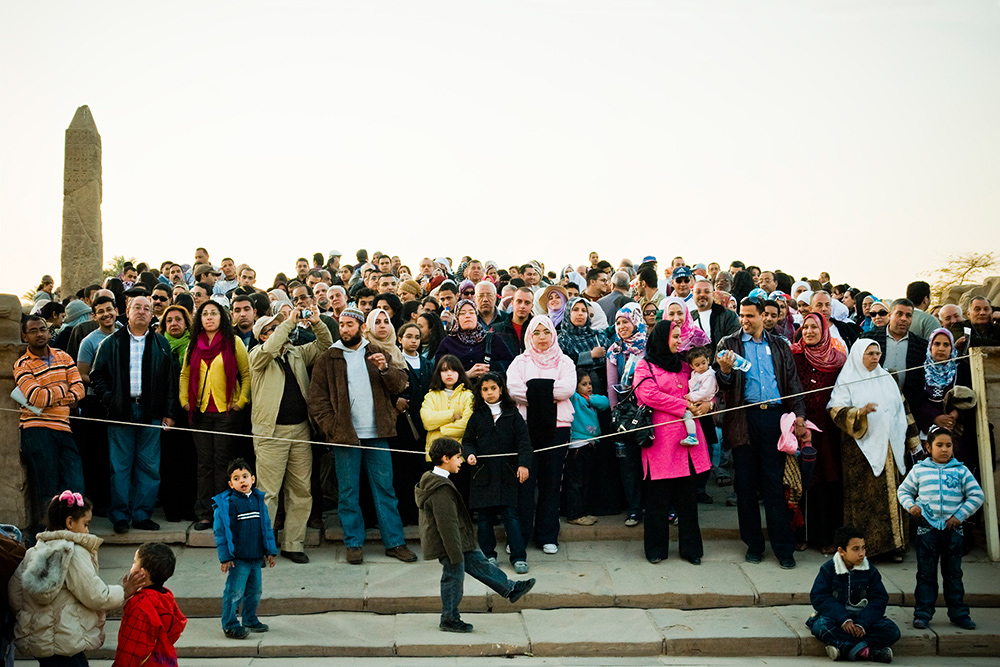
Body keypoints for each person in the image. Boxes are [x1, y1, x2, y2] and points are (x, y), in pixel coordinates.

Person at [307, 306, 416, 565]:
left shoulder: (377, 352)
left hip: (378, 433)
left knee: (385, 490)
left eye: (350, 325)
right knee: (348, 491)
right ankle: (353, 543)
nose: (345, 329)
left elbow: (401, 384)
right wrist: (332, 428)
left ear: (361, 328)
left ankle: (395, 542)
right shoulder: (328, 357)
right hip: (345, 436)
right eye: (341, 325)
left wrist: (385, 369)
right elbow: (317, 399)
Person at [716, 297, 806, 569]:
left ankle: (783, 548)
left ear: (763, 317)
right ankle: (753, 545)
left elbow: (792, 383)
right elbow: (721, 386)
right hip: (743, 419)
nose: (744, 321)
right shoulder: (728, 344)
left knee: (774, 486)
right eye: (741, 316)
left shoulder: (778, 344)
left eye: (749, 316)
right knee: (744, 485)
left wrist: (799, 417)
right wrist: (724, 371)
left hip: (774, 419)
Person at [9, 492, 148, 666]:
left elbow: (15, 595)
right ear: (70, 523)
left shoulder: (33, 552)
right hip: (67, 641)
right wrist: (124, 591)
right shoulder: (72, 552)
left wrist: (32, 619)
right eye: (86, 524)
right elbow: (94, 594)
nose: (87, 530)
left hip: (40, 643)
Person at [414, 437, 536, 634]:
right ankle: (450, 618)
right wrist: (455, 554)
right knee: (453, 578)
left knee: (480, 563)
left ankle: (510, 588)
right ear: (445, 458)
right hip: (450, 544)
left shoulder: (437, 481)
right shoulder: (440, 490)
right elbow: (447, 525)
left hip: (458, 540)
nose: (460, 461)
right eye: (457, 457)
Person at [248, 307, 332, 564]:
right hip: (271, 433)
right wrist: (287, 322)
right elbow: (272, 347)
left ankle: (293, 544)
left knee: (301, 490)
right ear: (263, 336)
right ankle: (262, 546)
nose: (279, 329)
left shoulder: (295, 353)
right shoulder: (257, 355)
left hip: (301, 430)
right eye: (272, 328)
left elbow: (325, 346)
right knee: (268, 492)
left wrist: (317, 322)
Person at [89, 296, 177, 534]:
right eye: (137, 307)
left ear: (152, 315)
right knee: (120, 466)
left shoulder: (161, 344)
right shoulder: (111, 342)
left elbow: (170, 382)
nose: (141, 311)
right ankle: (120, 516)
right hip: (121, 412)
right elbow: (97, 375)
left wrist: (169, 413)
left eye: (146, 309)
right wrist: (110, 398)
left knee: (149, 467)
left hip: (152, 412)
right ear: (126, 312)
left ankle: (141, 514)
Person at [828, 340, 921, 560]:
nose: (875, 357)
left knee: (896, 495)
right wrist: (859, 413)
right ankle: (868, 550)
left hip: (892, 448)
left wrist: (913, 439)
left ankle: (895, 547)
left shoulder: (888, 377)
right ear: (859, 354)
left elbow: (903, 408)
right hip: (861, 453)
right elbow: (836, 411)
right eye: (870, 353)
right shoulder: (848, 379)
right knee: (868, 501)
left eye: (878, 352)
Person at [634, 322, 713, 565]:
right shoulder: (644, 365)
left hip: (688, 441)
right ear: (662, 337)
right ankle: (656, 549)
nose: (679, 341)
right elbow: (647, 394)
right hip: (661, 441)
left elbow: (705, 387)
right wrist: (684, 405)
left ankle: (692, 550)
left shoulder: (686, 366)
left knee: (688, 500)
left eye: (680, 336)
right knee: (657, 499)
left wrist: (708, 405)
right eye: (674, 336)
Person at [897, 427, 984, 630]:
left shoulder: (961, 471)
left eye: (948, 445)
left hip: (953, 532)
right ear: (928, 447)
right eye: (939, 445)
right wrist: (912, 506)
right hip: (927, 529)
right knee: (925, 573)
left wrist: (959, 516)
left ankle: (959, 613)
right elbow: (904, 491)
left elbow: (977, 496)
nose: (944, 449)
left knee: (953, 573)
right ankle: (923, 613)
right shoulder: (919, 470)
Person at [507, 316, 577, 554]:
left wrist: (535, 389)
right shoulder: (519, 361)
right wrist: (548, 391)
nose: (542, 337)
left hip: (557, 429)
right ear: (530, 336)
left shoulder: (565, 361)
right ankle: (519, 535)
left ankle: (547, 536)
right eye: (536, 333)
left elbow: (568, 388)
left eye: (546, 332)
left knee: (551, 482)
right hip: (525, 428)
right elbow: (514, 390)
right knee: (523, 483)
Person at [179, 301, 251, 531]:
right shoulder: (193, 345)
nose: (209, 317)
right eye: (205, 314)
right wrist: (184, 401)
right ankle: (204, 514)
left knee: (223, 464)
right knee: (204, 465)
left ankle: (223, 513)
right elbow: (184, 375)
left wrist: (241, 402)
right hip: (200, 413)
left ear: (222, 318)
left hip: (226, 414)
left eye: (214, 313)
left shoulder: (234, 342)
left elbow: (247, 374)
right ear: (199, 319)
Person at [13, 315, 86, 531]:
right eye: (33, 331)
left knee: (76, 486)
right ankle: (50, 538)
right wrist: (64, 389)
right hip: (35, 430)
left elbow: (80, 390)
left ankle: (72, 533)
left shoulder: (63, 356)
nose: (40, 334)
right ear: (24, 336)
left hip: (63, 428)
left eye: (43, 329)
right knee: (49, 489)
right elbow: (37, 398)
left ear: (48, 331)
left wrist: (52, 395)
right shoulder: (21, 364)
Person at [462, 372, 532, 573]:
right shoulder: (477, 416)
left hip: (507, 473)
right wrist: (470, 454)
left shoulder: (512, 414)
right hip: (483, 475)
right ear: (480, 393)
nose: (490, 393)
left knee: (510, 515)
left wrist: (523, 465)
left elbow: (524, 442)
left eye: (493, 388)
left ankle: (518, 556)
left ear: (501, 389)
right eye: (485, 389)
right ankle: (488, 556)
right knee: (484, 519)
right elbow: (468, 441)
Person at [790, 313, 847, 553]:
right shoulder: (794, 356)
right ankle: (800, 535)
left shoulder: (839, 360)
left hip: (828, 432)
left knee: (827, 481)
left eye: (815, 327)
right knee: (800, 480)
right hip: (799, 428)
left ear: (825, 331)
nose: (810, 331)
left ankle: (826, 537)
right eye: (806, 327)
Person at [807, 526, 899, 663]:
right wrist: (843, 618)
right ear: (841, 551)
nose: (862, 553)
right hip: (837, 620)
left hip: (862, 622)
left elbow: (880, 599)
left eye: (863, 548)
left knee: (892, 631)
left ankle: (843, 647)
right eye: (855, 549)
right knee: (820, 626)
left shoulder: (870, 571)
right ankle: (867, 652)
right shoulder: (828, 569)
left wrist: (863, 623)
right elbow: (819, 596)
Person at [213, 459, 276, 639]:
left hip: (256, 557)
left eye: (245, 476)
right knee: (234, 592)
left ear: (253, 479)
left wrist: (270, 551)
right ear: (230, 484)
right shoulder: (228, 504)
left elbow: (266, 527)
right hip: (239, 559)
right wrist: (225, 557)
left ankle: (249, 618)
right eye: (237, 478)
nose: (242, 481)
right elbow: (221, 532)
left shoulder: (258, 501)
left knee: (255, 591)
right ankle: (230, 624)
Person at [606, 303, 648, 525]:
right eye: (618, 322)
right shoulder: (614, 351)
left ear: (636, 321)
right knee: (628, 463)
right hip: (624, 415)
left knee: (649, 461)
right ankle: (634, 508)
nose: (621, 326)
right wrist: (616, 415)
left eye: (626, 321)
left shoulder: (648, 347)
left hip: (648, 413)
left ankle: (655, 506)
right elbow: (611, 384)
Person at [113, 543, 187, 667]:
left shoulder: (140, 604)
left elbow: (131, 648)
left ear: (142, 573)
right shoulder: (166, 597)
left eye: (134, 563)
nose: (131, 567)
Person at [434, 300, 514, 378]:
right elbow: (438, 373)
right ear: (457, 318)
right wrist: (466, 375)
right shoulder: (448, 343)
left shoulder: (492, 339)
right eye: (462, 313)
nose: (468, 316)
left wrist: (489, 368)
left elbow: (510, 364)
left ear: (476, 316)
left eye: (472, 312)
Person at [420, 355, 475, 461]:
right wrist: (451, 415)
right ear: (438, 373)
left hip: (459, 456)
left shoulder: (468, 396)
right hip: (435, 455)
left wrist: (441, 429)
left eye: (454, 370)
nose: (449, 374)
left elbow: (467, 426)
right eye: (444, 370)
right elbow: (427, 421)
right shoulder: (430, 396)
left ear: (460, 373)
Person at [558, 296, 611, 395]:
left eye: (584, 310)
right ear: (568, 313)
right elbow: (562, 363)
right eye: (575, 310)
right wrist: (589, 355)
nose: (580, 314)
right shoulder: (562, 340)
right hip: (576, 395)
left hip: (603, 392)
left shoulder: (598, 336)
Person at [681, 347, 717, 446]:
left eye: (703, 363)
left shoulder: (709, 375)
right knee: (687, 415)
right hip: (695, 401)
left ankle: (692, 436)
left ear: (708, 360)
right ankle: (692, 435)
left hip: (702, 402)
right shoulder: (695, 374)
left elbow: (705, 392)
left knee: (687, 415)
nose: (701, 367)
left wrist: (691, 396)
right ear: (691, 366)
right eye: (697, 365)